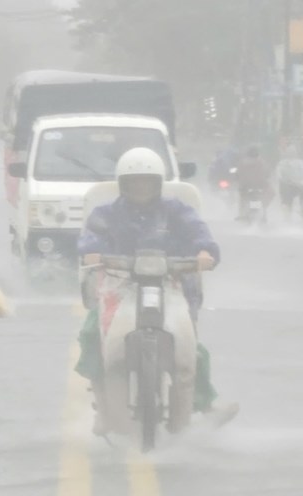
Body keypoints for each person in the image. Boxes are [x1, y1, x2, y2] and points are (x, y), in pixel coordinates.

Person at [76, 147, 237, 434]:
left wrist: (204, 252)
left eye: (147, 181)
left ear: (158, 183)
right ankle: (104, 408)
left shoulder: (177, 211)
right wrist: (91, 252)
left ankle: (201, 405)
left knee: (190, 351)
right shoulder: (106, 214)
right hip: (118, 284)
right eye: (135, 181)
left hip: (171, 284)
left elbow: (200, 234)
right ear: (123, 184)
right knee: (92, 336)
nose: (141, 187)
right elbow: (91, 238)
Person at [276, 145, 303, 220]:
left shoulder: (282, 163)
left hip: (291, 187)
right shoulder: (299, 163)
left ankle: (291, 212)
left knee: (288, 200)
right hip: (295, 187)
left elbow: (279, 176)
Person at [235, 145, 274, 221]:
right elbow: (268, 173)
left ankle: (241, 214)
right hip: (260, 186)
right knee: (268, 195)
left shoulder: (242, 162)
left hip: (246, 186)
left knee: (242, 198)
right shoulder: (262, 162)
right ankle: (264, 212)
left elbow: (237, 175)